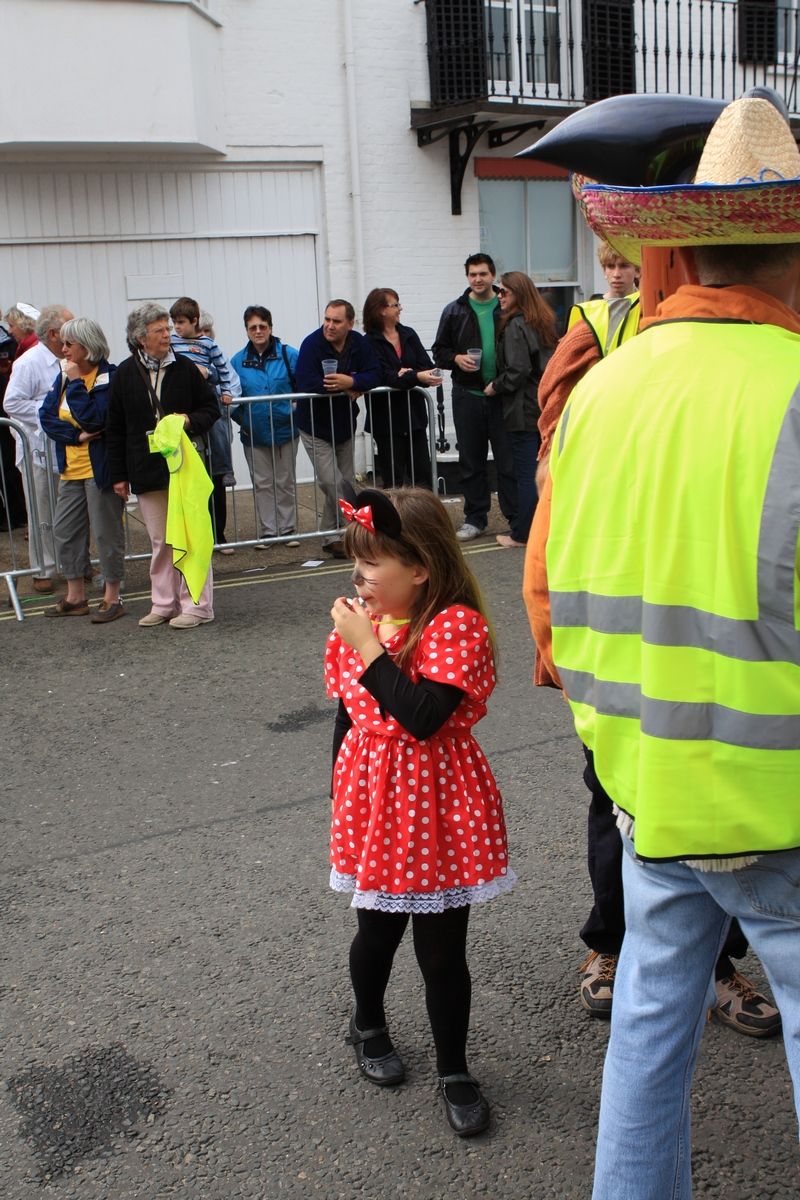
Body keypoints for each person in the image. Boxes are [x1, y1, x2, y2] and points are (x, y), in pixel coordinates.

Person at [527, 92, 800, 1197]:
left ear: (678, 247)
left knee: (647, 1028)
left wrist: (618, 750)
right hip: (778, 802)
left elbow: (550, 597)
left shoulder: (603, 389)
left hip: (645, 786)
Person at [325, 486, 514, 1137]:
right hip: (375, 805)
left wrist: (370, 648)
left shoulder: (452, 626)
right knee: (375, 932)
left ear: (422, 567)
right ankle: (367, 1021)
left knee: (442, 953)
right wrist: (339, 794)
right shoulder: (360, 624)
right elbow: (348, 717)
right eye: (357, 563)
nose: (360, 577)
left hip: (438, 806)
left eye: (374, 562)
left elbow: (424, 717)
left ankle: (455, 1068)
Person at [105, 302, 220, 629]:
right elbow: (115, 427)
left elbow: (211, 409)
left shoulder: (185, 368)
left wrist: (188, 420)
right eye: (159, 331)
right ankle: (164, 603)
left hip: (184, 467)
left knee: (191, 536)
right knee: (160, 541)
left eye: (167, 329)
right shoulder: (125, 374)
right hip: (145, 468)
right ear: (141, 338)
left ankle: (197, 606)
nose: (167, 335)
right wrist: (119, 475)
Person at [38, 318, 126, 623]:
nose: (63, 350)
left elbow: (95, 421)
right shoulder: (64, 377)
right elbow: (46, 417)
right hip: (71, 470)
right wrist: (75, 436)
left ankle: (112, 596)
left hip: (100, 470)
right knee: (65, 532)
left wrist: (76, 384)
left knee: (106, 534)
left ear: (86, 347)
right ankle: (75, 597)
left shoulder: (109, 378)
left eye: (68, 344)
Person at [432, 253, 516, 542]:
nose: (478, 279)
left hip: (502, 393)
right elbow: (439, 350)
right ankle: (475, 518)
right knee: (471, 460)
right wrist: (456, 358)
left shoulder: (506, 306)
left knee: (508, 459)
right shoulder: (454, 310)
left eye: (483, 274)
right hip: (467, 394)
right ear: (467, 277)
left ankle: (515, 517)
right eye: (472, 274)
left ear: (493, 275)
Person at [295, 300, 381, 558]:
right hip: (314, 425)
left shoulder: (359, 342)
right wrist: (346, 385)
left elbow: (375, 374)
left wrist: (353, 380)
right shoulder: (312, 344)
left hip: (344, 424)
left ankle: (332, 536)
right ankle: (355, 534)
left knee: (343, 482)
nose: (330, 326)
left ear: (350, 324)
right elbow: (305, 380)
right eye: (327, 319)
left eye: (337, 321)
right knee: (334, 483)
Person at [4, 304, 76, 595]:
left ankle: (75, 564)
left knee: (72, 509)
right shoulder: (30, 362)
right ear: (54, 333)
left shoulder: (73, 357)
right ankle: (43, 568)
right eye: (70, 326)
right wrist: (50, 415)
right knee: (42, 511)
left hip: (69, 447)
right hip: (37, 449)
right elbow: (12, 403)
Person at [483, 271, 557, 549]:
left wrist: (495, 386)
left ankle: (523, 534)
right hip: (542, 405)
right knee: (544, 471)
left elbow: (518, 370)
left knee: (526, 473)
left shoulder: (515, 326)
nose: (498, 296)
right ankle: (543, 529)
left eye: (503, 291)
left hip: (522, 409)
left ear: (519, 294)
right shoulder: (541, 321)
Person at [169, 296, 241, 554]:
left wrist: (222, 388)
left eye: (181, 323)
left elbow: (223, 372)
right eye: (174, 323)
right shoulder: (172, 343)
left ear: (194, 321)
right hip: (183, 412)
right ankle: (192, 539)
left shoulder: (209, 344)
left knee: (215, 474)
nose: (176, 328)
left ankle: (225, 469)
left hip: (206, 408)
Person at [229, 306, 300, 548]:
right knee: (262, 483)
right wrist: (245, 421)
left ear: (270, 327)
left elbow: (302, 387)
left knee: (285, 480)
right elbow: (232, 397)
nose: (258, 331)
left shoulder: (289, 355)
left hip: (286, 430)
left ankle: (288, 529)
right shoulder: (237, 361)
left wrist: (294, 412)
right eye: (253, 327)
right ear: (247, 330)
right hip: (254, 433)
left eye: (262, 326)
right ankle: (269, 531)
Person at [361, 288, 439, 489]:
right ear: (381, 310)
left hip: (414, 417)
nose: (399, 308)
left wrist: (409, 375)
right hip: (386, 420)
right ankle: (396, 520)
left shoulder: (408, 334)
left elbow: (426, 366)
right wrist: (413, 376)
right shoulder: (368, 341)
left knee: (422, 475)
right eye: (395, 304)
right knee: (393, 479)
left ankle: (425, 520)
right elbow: (383, 376)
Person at [0, 308, 27, 532]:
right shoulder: (10, 342)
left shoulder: (9, 343)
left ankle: (16, 514)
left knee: (8, 465)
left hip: (6, 412)